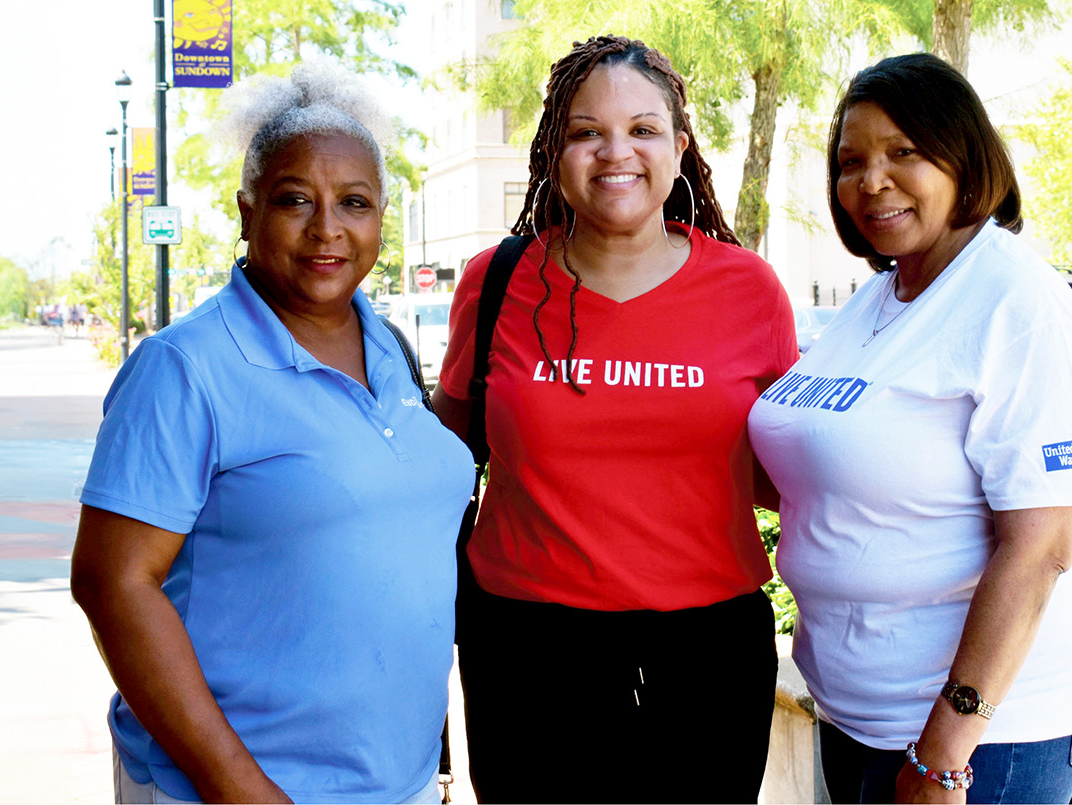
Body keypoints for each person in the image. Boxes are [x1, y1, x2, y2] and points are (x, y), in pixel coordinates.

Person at [70, 63, 472, 805]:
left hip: (399, 783)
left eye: (354, 202)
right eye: (295, 200)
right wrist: (238, 789)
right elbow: (112, 582)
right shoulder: (185, 368)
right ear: (246, 210)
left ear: (382, 215)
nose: (327, 228)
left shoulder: (388, 346)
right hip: (233, 790)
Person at [430, 36, 798, 804]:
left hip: (708, 652)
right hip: (529, 650)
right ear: (555, 151)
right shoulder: (493, 283)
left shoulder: (749, 290)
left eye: (642, 129)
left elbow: (786, 474)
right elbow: (440, 460)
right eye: (586, 131)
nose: (614, 152)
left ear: (680, 148)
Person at [747, 53, 1072, 804]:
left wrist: (946, 749)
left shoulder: (1016, 302)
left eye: (902, 152)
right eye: (851, 161)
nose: (870, 180)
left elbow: (1042, 547)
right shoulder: (881, 296)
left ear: (964, 157)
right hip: (859, 716)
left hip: (986, 737)